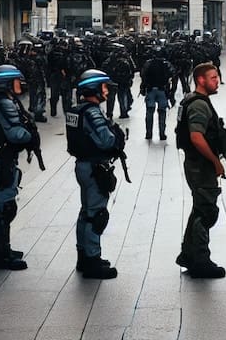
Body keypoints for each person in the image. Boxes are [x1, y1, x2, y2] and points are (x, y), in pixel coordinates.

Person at [66, 69, 127, 279]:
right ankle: (92, 260)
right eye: (103, 87)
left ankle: (84, 257)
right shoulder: (92, 112)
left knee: (86, 212)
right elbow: (106, 141)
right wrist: (117, 136)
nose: (106, 91)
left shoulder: (77, 110)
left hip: (83, 165)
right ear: (93, 88)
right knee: (96, 215)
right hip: (93, 167)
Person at [175, 62, 226, 278]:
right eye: (213, 78)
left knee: (199, 208)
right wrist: (215, 161)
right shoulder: (199, 104)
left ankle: (188, 255)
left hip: (197, 163)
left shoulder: (193, 100)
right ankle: (200, 261)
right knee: (205, 211)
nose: (217, 81)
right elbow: (196, 137)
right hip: (200, 165)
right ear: (201, 80)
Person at [0, 64, 38, 270]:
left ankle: (2, 249)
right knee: (5, 208)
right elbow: (15, 134)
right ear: (5, 83)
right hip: (2, 160)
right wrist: (30, 135)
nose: (19, 83)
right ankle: (0, 255)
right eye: (15, 80)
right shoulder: (4, 103)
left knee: (2, 206)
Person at [139, 44, 174, 141]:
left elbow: (143, 75)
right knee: (162, 112)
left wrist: (143, 86)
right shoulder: (166, 64)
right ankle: (162, 134)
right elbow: (172, 73)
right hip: (162, 90)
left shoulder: (148, 63)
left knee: (149, 112)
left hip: (150, 90)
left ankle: (148, 134)